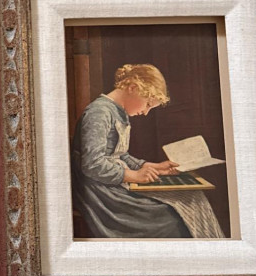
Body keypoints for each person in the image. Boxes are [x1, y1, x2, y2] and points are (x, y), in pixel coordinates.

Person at [71, 63, 223, 239]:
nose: (145, 112)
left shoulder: (119, 112)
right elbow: (92, 164)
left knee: (193, 197)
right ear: (132, 87)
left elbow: (121, 155)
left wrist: (150, 166)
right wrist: (133, 175)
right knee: (171, 216)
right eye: (148, 104)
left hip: (112, 183)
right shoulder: (98, 112)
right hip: (99, 191)